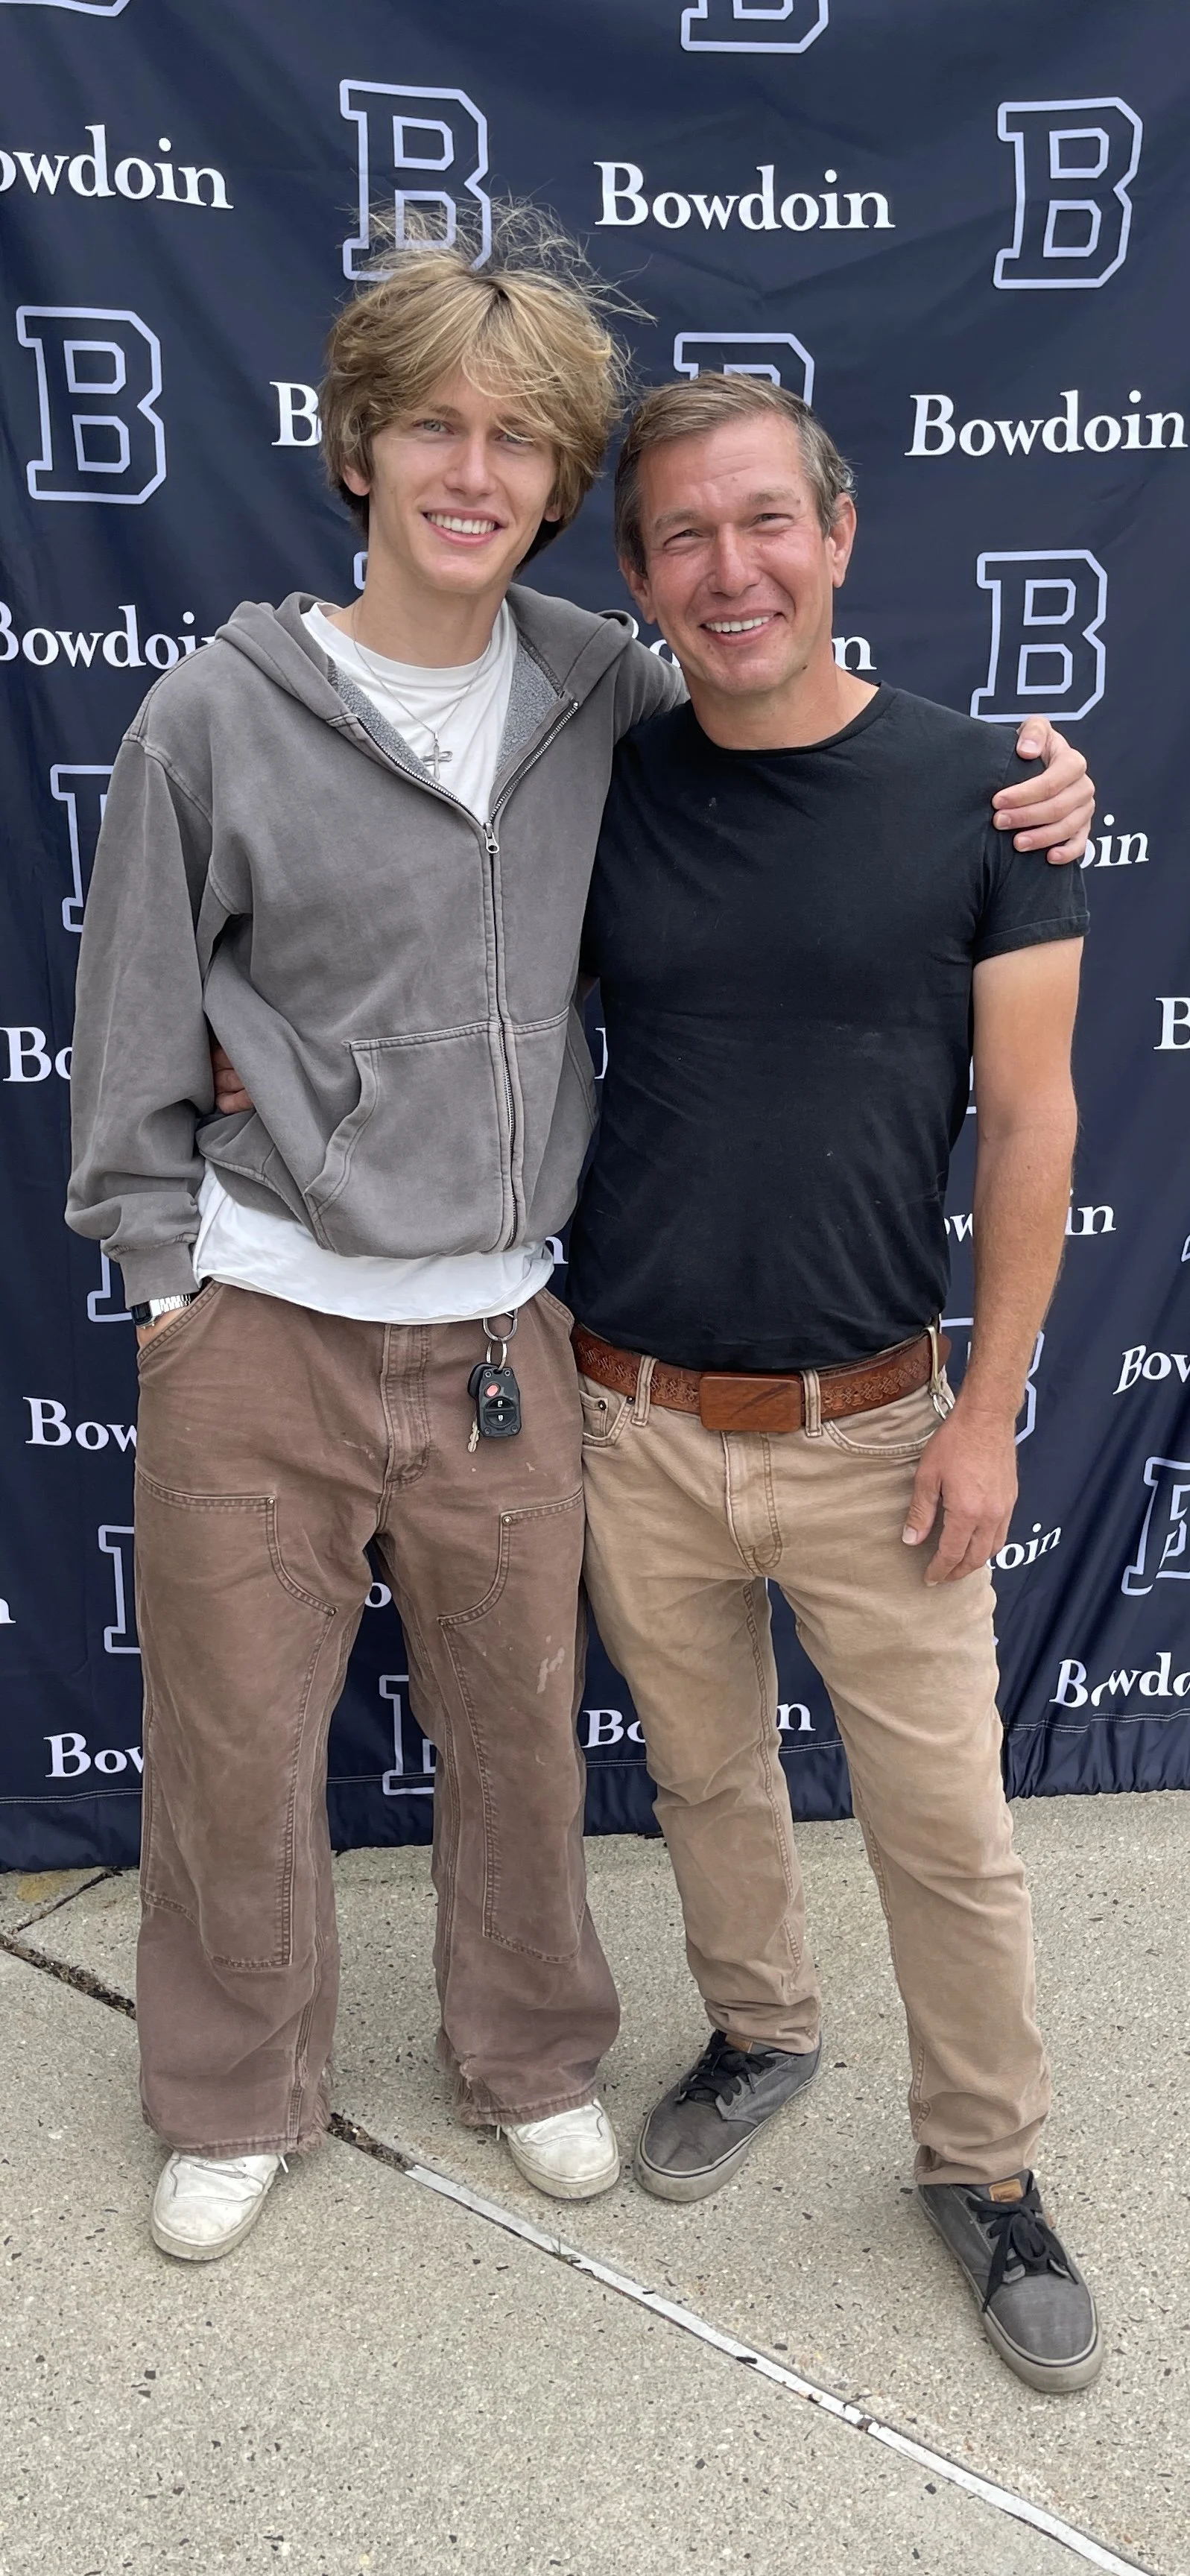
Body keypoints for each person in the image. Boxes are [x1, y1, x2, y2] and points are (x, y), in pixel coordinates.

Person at [71, 209, 1091, 2266]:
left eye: (517, 441)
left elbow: (810, 716)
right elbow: (129, 1022)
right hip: (265, 1314)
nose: (473, 473)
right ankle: (233, 2091)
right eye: (430, 429)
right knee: (238, 1745)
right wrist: (167, 1287)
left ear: (556, 492)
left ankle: (535, 2058)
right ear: (355, 450)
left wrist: (1037, 778)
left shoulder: (596, 688)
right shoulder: (215, 710)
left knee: (520, 1744)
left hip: (507, 1343)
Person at [566, 373, 1100, 2393]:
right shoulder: (595, 786)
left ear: (840, 537)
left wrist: (986, 1411)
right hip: (629, 1413)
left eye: (765, 521)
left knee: (945, 1830)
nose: (731, 568)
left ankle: (982, 2169)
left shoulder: (984, 795)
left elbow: (1034, 1131)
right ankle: (760, 2028)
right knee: (702, 1777)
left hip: (877, 1428)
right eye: (685, 537)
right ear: (637, 578)